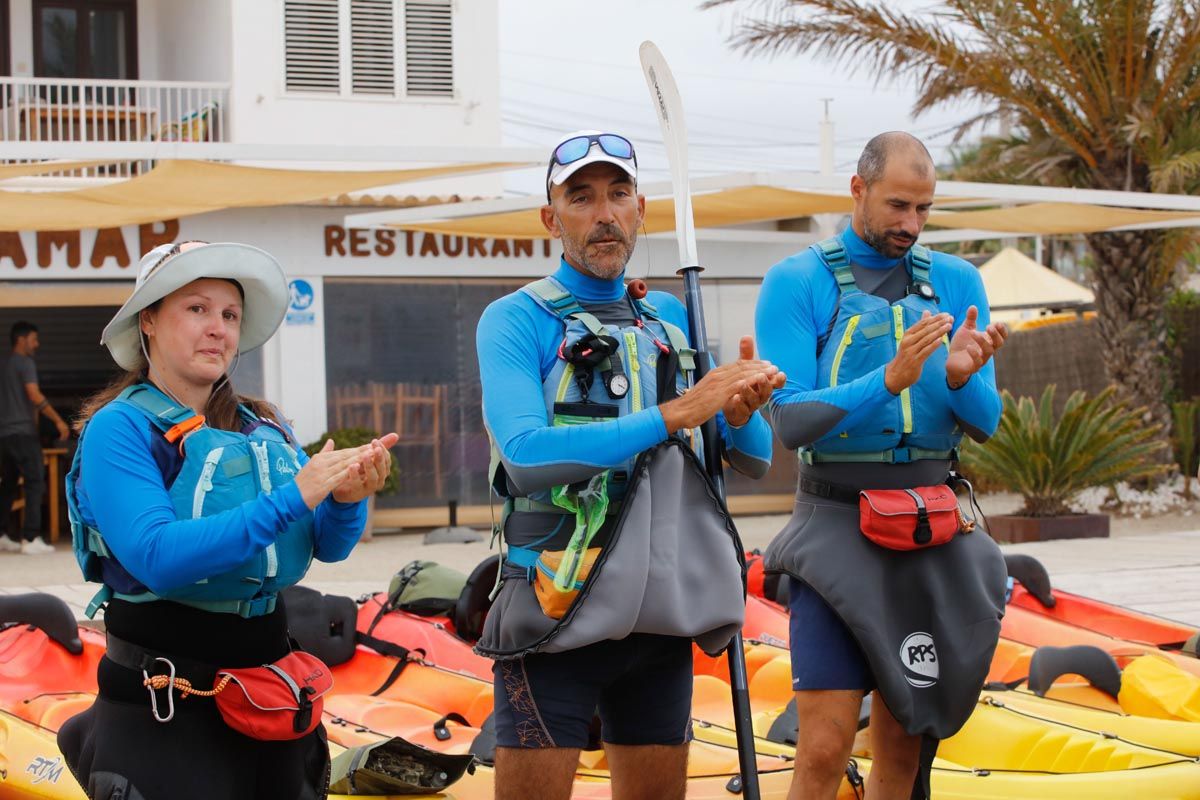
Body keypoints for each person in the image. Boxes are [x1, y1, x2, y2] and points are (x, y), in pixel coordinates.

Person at [474, 130, 786, 800]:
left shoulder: (669, 319)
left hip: (658, 619)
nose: (603, 212)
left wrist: (736, 413)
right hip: (552, 616)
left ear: (642, 209)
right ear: (551, 218)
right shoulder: (515, 320)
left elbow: (755, 462)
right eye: (581, 197)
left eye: (618, 194)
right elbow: (525, 457)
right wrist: (674, 414)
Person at [57, 241, 397, 800]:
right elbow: (157, 558)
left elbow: (327, 548)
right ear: (149, 320)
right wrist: (297, 494)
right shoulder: (118, 430)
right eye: (196, 309)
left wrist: (345, 500)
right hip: (161, 704)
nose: (218, 328)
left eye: (230, 315)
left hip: (266, 694)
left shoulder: (260, 423)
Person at [755, 132, 1010, 800]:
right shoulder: (798, 281)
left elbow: (987, 421)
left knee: (905, 743)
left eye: (924, 209)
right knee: (823, 746)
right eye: (898, 205)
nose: (911, 225)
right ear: (858, 190)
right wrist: (889, 380)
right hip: (835, 524)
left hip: (928, 528)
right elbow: (789, 420)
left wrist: (959, 377)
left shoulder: (955, 280)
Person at [0, 320, 69, 554]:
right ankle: (30, 538)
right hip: (22, 433)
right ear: (21, 340)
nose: (37, 344)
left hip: (4, 435)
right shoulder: (25, 363)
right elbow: (33, 393)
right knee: (35, 482)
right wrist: (58, 420)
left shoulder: (5, 365)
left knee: (8, 485)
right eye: (34, 339)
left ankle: (1, 535)